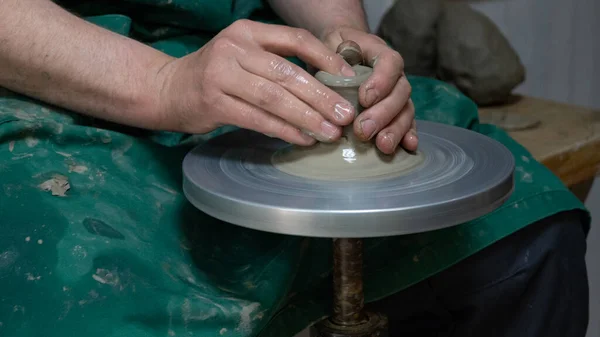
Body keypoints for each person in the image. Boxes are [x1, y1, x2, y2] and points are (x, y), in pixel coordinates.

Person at [0, 1, 590, 337]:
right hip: (48, 71)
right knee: (97, 300)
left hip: (237, 44)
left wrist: (343, 34)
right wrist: (161, 83)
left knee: (531, 238)